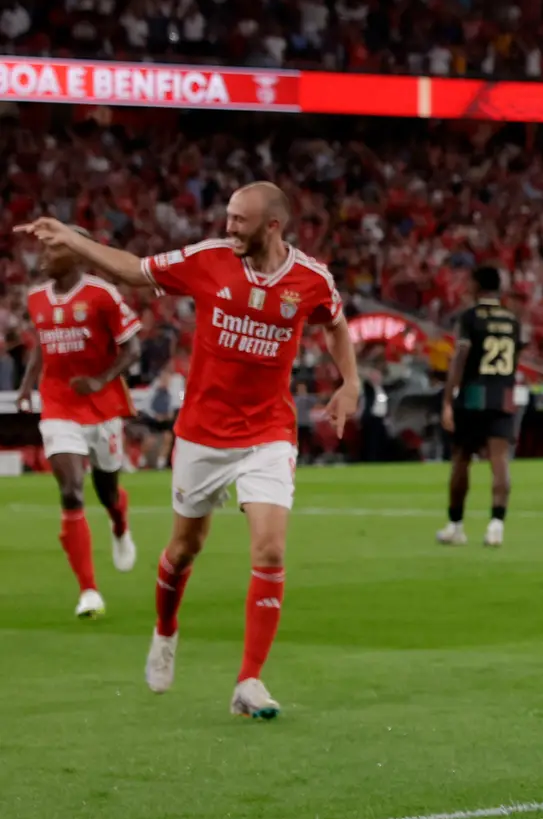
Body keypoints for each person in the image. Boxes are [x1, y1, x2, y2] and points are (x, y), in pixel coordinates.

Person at [16, 181, 360, 720]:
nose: (228, 227)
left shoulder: (310, 280)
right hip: (202, 433)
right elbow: (134, 270)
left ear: (273, 225)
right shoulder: (209, 260)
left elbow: (335, 323)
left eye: (238, 220)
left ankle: (249, 681)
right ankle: (165, 629)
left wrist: (351, 382)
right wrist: (73, 241)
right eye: (227, 217)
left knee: (270, 550)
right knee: (184, 549)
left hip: (268, 432)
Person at [17, 228, 141, 617]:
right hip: (58, 404)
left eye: (52, 249)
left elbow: (132, 348)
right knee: (71, 490)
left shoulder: (103, 295)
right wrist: (26, 385)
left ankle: (119, 521)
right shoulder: (36, 298)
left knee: (106, 490)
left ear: (75, 254)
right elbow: (43, 342)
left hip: (102, 407)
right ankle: (89, 591)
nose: (42, 256)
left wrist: (101, 380)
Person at [438, 266, 519, 548]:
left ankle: (456, 526)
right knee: (500, 460)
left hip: (473, 395)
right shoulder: (512, 320)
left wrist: (448, 399)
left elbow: (460, 357)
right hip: (504, 395)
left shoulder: (469, 318)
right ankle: (496, 525)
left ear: (476, 285)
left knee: (461, 458)